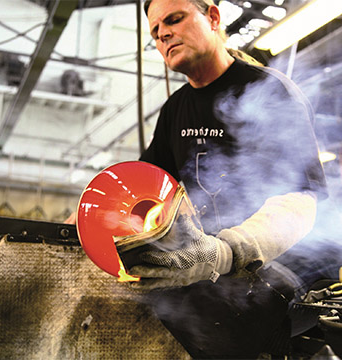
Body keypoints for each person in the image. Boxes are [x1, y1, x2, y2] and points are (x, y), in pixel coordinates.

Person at [112, 0, 327, 357]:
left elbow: (299, 203)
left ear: (213, 17)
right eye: (155, 31)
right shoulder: (175, 109)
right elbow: (147, 189)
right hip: (210, 276)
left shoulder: (269, 91)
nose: (163, 33)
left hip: (283, 279)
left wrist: (224, 252)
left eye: (174, 19)